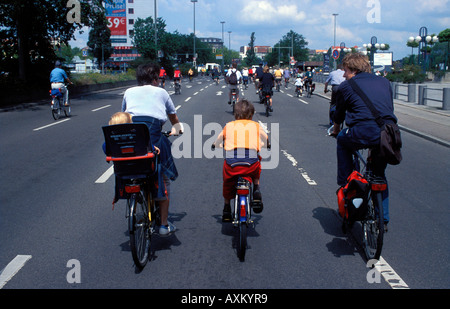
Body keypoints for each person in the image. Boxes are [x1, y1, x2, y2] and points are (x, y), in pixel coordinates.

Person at [331, 53, 397, 230]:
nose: (343, 75)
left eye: (345, 70)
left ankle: (346, 182)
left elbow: (339, 113)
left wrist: (336, 129)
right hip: (388, 134)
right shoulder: (385, 82)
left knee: (343, 141)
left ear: (353, 69)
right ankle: (383, 219)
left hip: (362, 132)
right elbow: (387, 107)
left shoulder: (346, 86)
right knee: (379, 174)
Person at [121, 62, 183, 236]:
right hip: (153, 136)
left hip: (132, 137)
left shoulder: (128, 92)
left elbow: (123, 115)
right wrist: (177, 128)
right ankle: (163, 225)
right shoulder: (162, 92)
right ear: (155, 79)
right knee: (164, 180)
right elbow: (173, 116)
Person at [213, 99, 269, 222]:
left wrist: (216, 145)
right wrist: (267, 144)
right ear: (252, 114)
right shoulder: (256, 125)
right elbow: (266, 139)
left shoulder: (228, 126)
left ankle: (227, 208)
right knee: (257, 163)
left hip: (232, 163)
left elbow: (218, 140)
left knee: (227, 181)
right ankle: (256, 187)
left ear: (235, 114)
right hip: (251, 163)